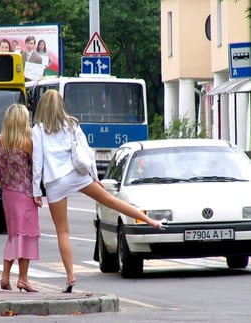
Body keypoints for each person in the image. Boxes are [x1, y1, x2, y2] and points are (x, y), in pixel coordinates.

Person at [31, 90, 168, 293]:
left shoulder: (38, 130)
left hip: (55, 182)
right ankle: (152, 221)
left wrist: (36, 190)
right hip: (77, 175)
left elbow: (37, 162)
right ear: (61, 105)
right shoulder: (72, 125)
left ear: (42, 107)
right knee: (112, 201)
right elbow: (86, 154)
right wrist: (96, 178)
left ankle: (70, 277)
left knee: (63, 231)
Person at [0, 103, 40, 293]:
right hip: (25, 193)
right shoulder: (27, 143)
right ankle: (23, 279)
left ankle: (5, 277)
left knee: (13, 235)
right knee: (27, 236)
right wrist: (37, 193)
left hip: (7, 193)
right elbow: (36, 168)